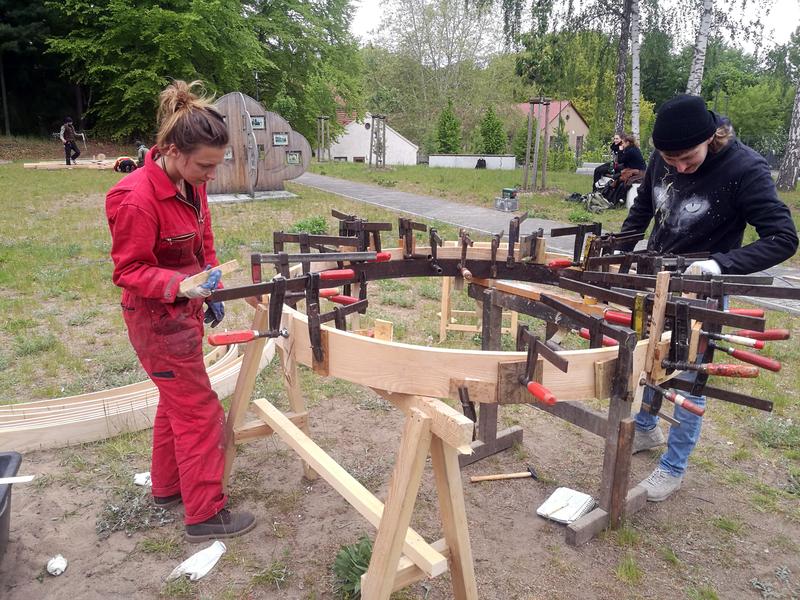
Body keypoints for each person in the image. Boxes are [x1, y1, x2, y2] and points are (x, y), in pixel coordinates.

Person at [619, 94, 798, 502]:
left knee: (688, 377)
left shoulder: (744, 168)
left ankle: (673, 468)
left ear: (711, 138)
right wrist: (622, 244)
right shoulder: (662, 159)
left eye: (688, 159)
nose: (679, 168)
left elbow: (783, 239)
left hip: (704, 291)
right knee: (650, 356)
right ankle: (646, 428)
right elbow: (644, 207)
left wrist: (720, 265)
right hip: (658, 278)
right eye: (670, 160)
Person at [105, 80, 256, 542]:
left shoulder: (192, 182)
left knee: (177, 404)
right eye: (205, 166)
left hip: (182, 314)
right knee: (198, 412)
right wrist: (178, 285)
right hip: (156, 322)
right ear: (172, 150)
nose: (211, 176)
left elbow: (202, 238)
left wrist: (208, 285)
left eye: (216, 166)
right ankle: (205, 514)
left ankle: (169, 488)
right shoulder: (135, 199)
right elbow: (128, 269)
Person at [603, 133, 647, 205]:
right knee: (617, 178)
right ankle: (612, 198)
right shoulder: (632, 149)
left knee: (620, 181)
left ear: (628, 143)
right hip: (634, 170)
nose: (622, 145)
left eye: (623, 143)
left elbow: (620, 160)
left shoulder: (630, 151)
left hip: (639, 172)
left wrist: (620, 150)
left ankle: (614, 200)